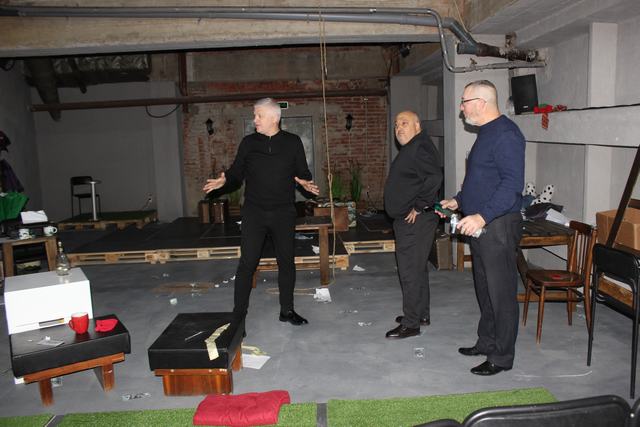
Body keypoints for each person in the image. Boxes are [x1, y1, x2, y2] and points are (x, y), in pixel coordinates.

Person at [203, 98, 319, 325]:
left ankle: (287, 311)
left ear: (274, 118)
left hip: (283, 212)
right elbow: (236, 173)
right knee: (247, 264)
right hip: (254, 212)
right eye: (254, 115)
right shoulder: (248, 143)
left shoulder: (292, 142)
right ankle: (238, 317)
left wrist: (305, 182)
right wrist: (224, 181)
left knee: (286, 262)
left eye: (259, 116)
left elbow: (302, 172)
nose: (254, 120)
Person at [439, 80, 525, 375]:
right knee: (485, 289)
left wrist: (482, 216)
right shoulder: (486, 133)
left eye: (464, 102)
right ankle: (487, 341)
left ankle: (502, 357)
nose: (461, 108)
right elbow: (480, 180)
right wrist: (458, 200)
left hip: (497, 225)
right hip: (481, 223)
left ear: (481, 103)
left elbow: (511, 186)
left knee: (501, 294)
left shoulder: (507, 135)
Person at [384, 111, 442, 339]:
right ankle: (420, 315)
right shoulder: (416, 146)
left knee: (409, 271)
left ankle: (411, 324)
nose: (399, 128)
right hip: (415, 220)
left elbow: (434, 177)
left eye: (404, 123)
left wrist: (418, 206)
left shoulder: (419, 147)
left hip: (415, 220)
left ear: (418, 126)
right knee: (417, 269)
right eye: (396, 124)